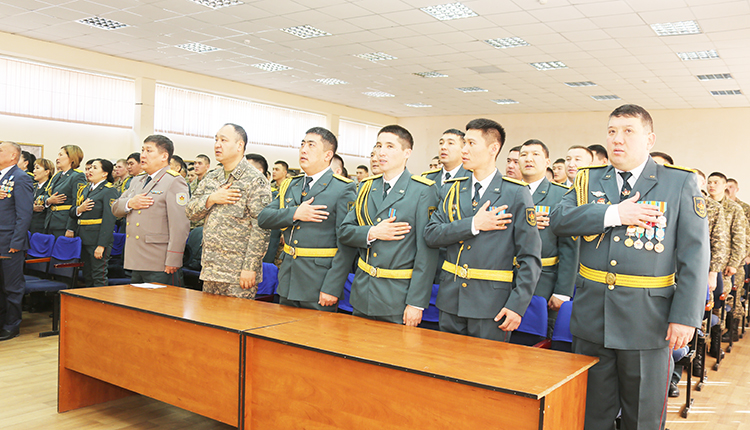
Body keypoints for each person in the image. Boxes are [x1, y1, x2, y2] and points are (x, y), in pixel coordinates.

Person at [550, 104, 709, 430]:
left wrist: (685, 318)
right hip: (592, 318)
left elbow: (695, 256)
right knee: (592, 416)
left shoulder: (679, 183)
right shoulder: (586, 180)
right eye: (611, 131)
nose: (617, 139)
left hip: (647, 322)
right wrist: (613, 215)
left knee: (643, 418)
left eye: (627, 131)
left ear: (649, 139)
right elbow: (559, 221)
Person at [424, 120, 541, 342]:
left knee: (485, 371)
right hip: (451, 299)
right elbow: (431, 235)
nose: (463, 149)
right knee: (447, 368)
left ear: (493, 148)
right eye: (464, 143)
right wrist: (473, 224)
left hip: (491, 304)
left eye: (470, 143)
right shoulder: (452, 189)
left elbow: (530, 256)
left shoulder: (515, 192)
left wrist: (517, 306)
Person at [339, 125, 439, 325]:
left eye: (390, 146)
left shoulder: (422, 190)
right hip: (363, 291)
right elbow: (344, 232)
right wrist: (372, 232)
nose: (380, 152)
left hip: (397, 296)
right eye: (378, 145)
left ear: (407, 152)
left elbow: (426, 253)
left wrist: (416, 303)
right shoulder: (367, 187)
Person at [258, 127, 357, 310]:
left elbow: (346, 244)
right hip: (288, 278)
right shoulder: (291, 185)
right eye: (302, 144)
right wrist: (294, 213)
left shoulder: (343, 188)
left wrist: (332, 287)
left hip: (319, 282)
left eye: (311, 145)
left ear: (327, 155)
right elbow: (264, 218)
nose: (303, 149)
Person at [186, 124, 272, 299]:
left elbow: (261, 227)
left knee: (235, 322)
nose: (217, 144)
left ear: (239, 145)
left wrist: (250, 267)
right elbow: (190, 212)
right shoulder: (211, 177)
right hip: (210, 268)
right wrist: (211, 199)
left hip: (238, 273)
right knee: (209, 321)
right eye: (216, 140)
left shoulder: (255, 180)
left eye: (223, 140)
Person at [112, 135, 190, 286]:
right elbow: (115, 208)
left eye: (149, 150)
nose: (143, 155)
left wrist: (174, 258)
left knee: (162, 305)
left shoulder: (174, 181)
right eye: (142, 150)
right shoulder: (137, 181)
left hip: (159, 261)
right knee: (137, 305)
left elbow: (180, 225)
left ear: (164, 156)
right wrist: (130, 203)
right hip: (136, 259)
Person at [519, 139, 578, 335]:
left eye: (535, 154)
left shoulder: (561, 196)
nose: (529, 159)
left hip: (543, 281)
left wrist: (563, 291)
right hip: (504, 279)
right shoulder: (505, 191)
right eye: (524, 155)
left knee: (534, 341)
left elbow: (569, 248)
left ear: (547, 162)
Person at [707, 171, 747, 341]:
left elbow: (739, 238)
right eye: (709, 182)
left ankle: (717, 342)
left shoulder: (734, 208)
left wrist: (734, 263)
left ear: (725, 186)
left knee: (720, 304)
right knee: (708, 304)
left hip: (725, 265)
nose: (711, 185)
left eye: (716, 182)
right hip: (705, 262)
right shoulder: (703, 205)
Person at [0, 142, 33, 341]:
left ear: (13, 156)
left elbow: (24, 214)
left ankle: (12, 325)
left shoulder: (20, 178)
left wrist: (17, 242)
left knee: (11, 287)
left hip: (9, 242)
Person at [70, 159, 119, 287]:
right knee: (87, 275)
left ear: (104, 173)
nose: (90, 170)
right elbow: (72, 211)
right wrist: (79, 210)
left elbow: (109, 220)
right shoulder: (86, 189)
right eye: (90, 167)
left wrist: (102, 245)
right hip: (83, 238)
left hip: (97, 239)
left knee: (98, 275)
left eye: (95, 168)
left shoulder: (109, 190)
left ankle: (101, 305)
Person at [44, 145, 86, 238]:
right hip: (50, 221)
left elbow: (77, 203)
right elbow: (47, 194)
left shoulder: (77, 176)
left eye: (61, 155)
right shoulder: (57, 176)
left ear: (71, 158)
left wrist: (71, 228)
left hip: (64, 224)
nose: (57, 158)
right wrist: (49, 200)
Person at [29, 158, 54, 235]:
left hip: (42, 228)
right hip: (29, 226)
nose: (34, 171)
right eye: (34, 168)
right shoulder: (33, 187)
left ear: (47, 172)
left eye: (37, 168)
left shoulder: (51, 187)